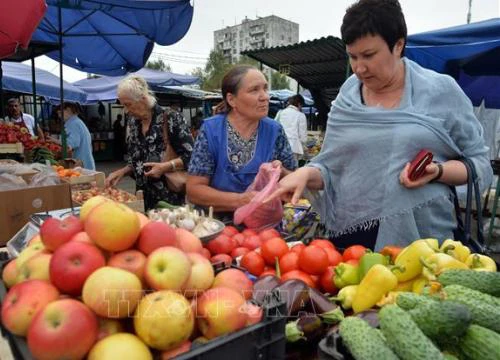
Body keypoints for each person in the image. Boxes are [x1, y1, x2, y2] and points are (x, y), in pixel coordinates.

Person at [268, 0, 493, 251]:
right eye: (352, 56)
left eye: (369, 55)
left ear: (398, 45)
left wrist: (437, 172)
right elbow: (332, 168)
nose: (360, 68)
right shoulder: (348, 95)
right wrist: (306, 173)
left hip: (421, 244)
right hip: (349, 238)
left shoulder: (440, 91)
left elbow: (479, 165)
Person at [186, 65, 298, 213]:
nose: (265, 96)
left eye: (265, 88)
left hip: (264, 228)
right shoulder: (211, 130)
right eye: (254, 90)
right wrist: (241, 200)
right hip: (217, 226)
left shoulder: (275, 131)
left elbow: (295, 182)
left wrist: (281, 172)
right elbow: (194, 190)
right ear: (232, 100)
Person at [105, 75, 194, 210]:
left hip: (169, 201)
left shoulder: (171, 118)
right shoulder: (133, 122)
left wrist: (165, 167)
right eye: (123, 105)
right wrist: (123, 171)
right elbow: (137, 160)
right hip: (142, 198)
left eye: (128, 104)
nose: (126, 110)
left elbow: (192, 156)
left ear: (143, 99)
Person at [53, 102, 95, 170]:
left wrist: (54, 141)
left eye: (60, 113)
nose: (59, 116)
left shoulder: (73, 123)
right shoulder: (76, 122)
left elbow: (72, 144)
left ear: (69, 110)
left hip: (80, 165)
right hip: (84, 163)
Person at [275, 94, 308, 160]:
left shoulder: (281, 113)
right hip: (294, 148)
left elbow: (275, 127)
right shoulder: (301, 115)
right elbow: (303, 136)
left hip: (280, 147)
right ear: (299, 104)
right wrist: (304, 145)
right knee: (292, 170)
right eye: (301, 106)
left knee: (279, 168)